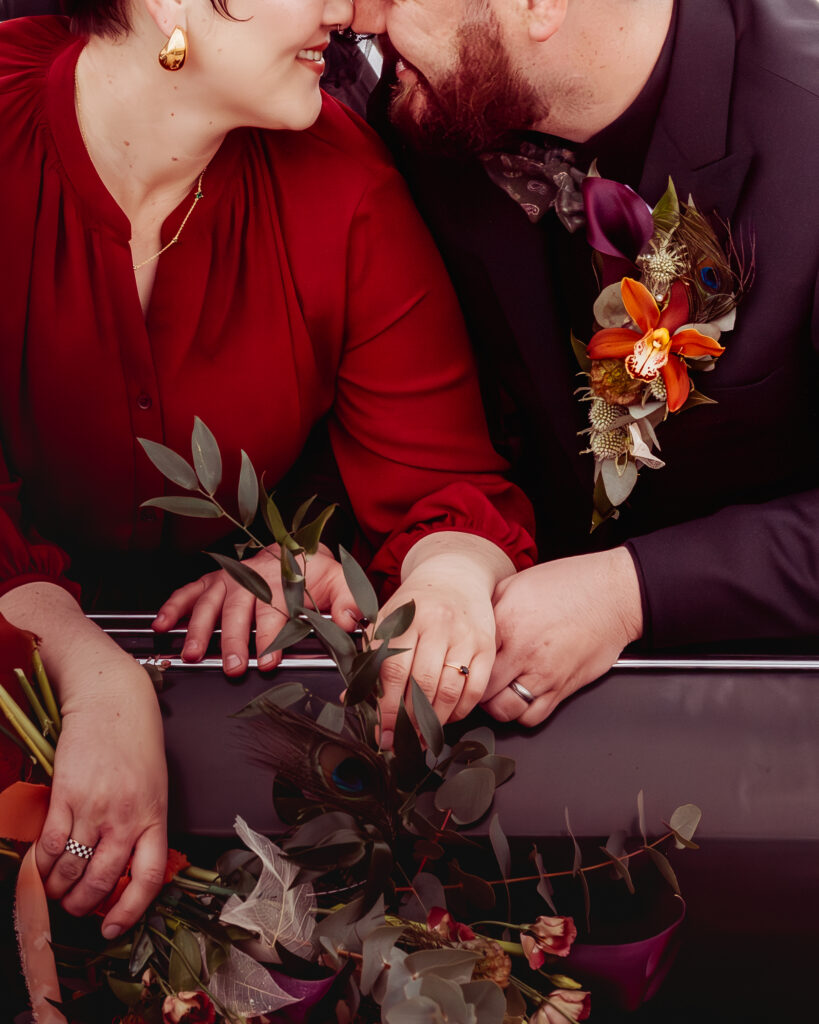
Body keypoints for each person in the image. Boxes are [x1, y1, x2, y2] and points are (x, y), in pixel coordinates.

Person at [0, 0, 537, 938]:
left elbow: (445, 488)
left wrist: (434, 582)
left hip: (245, 753)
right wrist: (91, 671)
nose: (347, 8)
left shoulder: (343, 182)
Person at [351, 0, 819, 717]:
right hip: (488, 710)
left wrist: (632, 592)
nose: (357, 13)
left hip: (768, 718)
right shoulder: (426, 110)